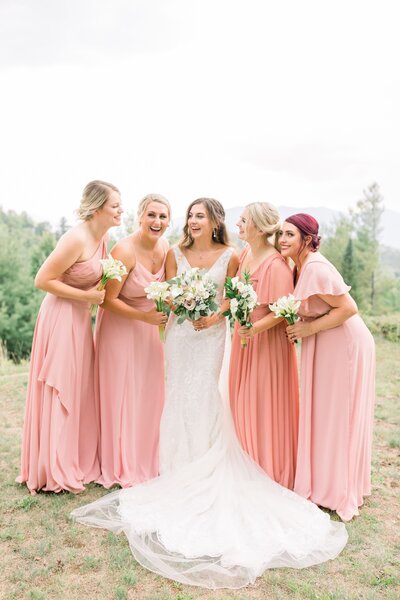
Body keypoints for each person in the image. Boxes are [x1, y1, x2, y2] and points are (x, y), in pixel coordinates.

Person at [71, 199, 347, 591]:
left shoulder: (234, 255)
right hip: (182, 336)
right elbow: (165, 293)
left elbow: (235, 296)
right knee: (179, 395)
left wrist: (216, 314)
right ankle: (176, 463)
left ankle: (205, 457)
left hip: (212, 335)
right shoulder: (174, 252)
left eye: (201, 215)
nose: (193, 221)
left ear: (214, 221)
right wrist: (176, 301)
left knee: (205, 395)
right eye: (191, 215)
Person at [17, 180, 123, 494]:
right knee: (60, 386)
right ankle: (52, 467)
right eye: (115, 205)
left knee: (77, 388)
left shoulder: (103, 237)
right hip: (61, 317)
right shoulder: (75, 238)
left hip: (79, 319)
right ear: (98, 207)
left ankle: (70, 457)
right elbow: (42, 280)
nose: (120, 210)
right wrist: (85, 296)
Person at [281, 213, 375, 521]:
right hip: (327, 342)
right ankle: (326, 483)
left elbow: (348, 308)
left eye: (290, 235)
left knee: (340, 413)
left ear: (307, 239)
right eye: (280, 234)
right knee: (327, 413)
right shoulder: (300, 266)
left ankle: (339, 489)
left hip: (344, 343)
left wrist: (308, 329)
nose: (283, 240)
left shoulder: (316, 267)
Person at [95, 194, 170, 488]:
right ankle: (120, 461)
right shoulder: (124, 251)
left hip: (149, 331)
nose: (157, 222)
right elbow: (106, 300)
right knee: (122, 394)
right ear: (139, 217)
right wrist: (144, 318)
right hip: (121, 329)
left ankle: (147, 457)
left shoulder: (165, 247)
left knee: (149, 392)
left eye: (163, 217)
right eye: (151, 215)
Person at [229, 202, 299, 489]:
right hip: (243, 337)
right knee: (240, 399)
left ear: (258, 227)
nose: (238, 225)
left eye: (243, 220)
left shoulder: (276, 265)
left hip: (266, 343)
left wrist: (254, 328)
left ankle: (266, 466)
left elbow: (282, 309)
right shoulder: (246, 253)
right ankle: (245, 459)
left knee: (260, 402)